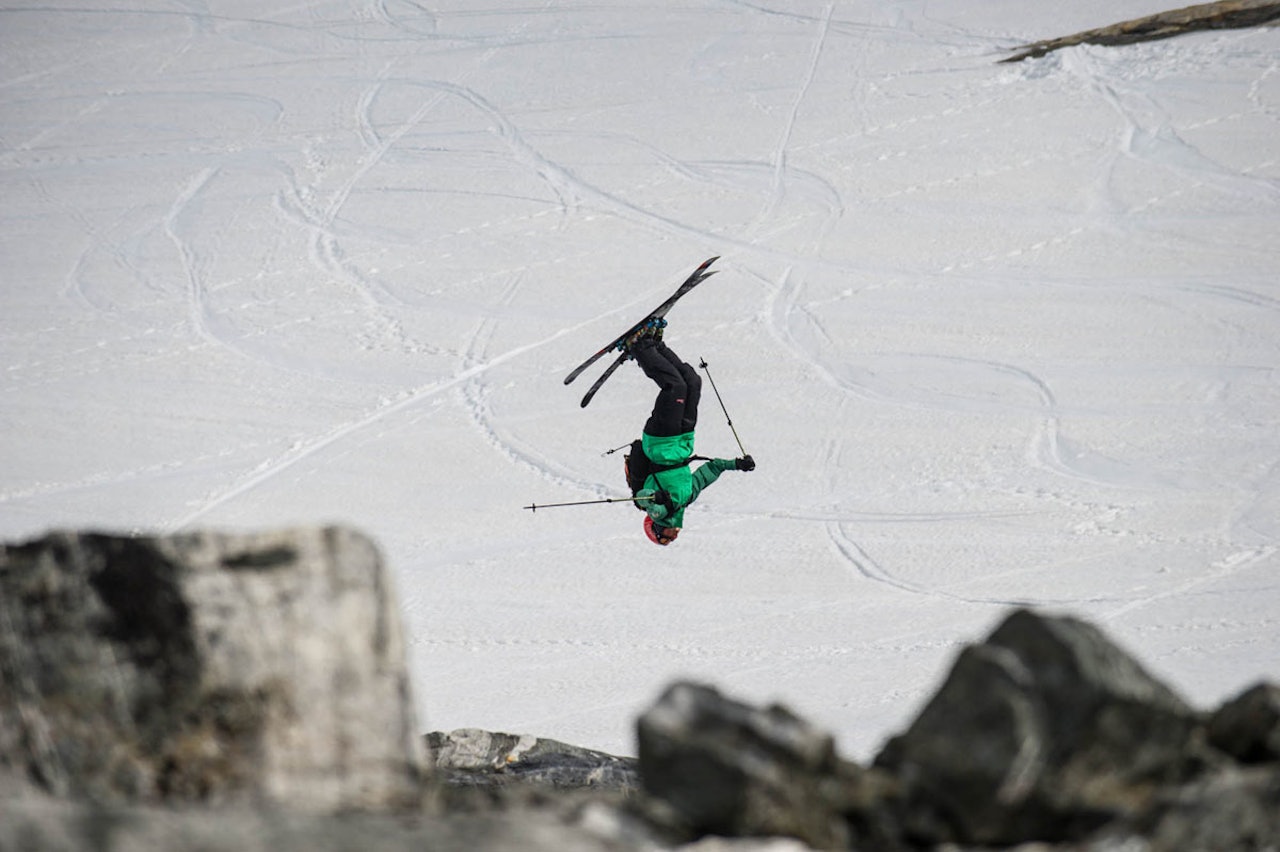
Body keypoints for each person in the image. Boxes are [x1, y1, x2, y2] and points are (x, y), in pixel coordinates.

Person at [622, 321, 755, 546]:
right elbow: (710, 470)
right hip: (684, 439)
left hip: (661, 442)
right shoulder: (688, 497)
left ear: (656, 527)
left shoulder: (657, 510)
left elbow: (643, 498)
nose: (674, 535)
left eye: (667, 536)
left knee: (675, 387)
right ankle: (656, 346)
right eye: (673, 537)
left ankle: (639, 347)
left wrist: (657, 498)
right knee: (693, 382)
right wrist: (736, 464)